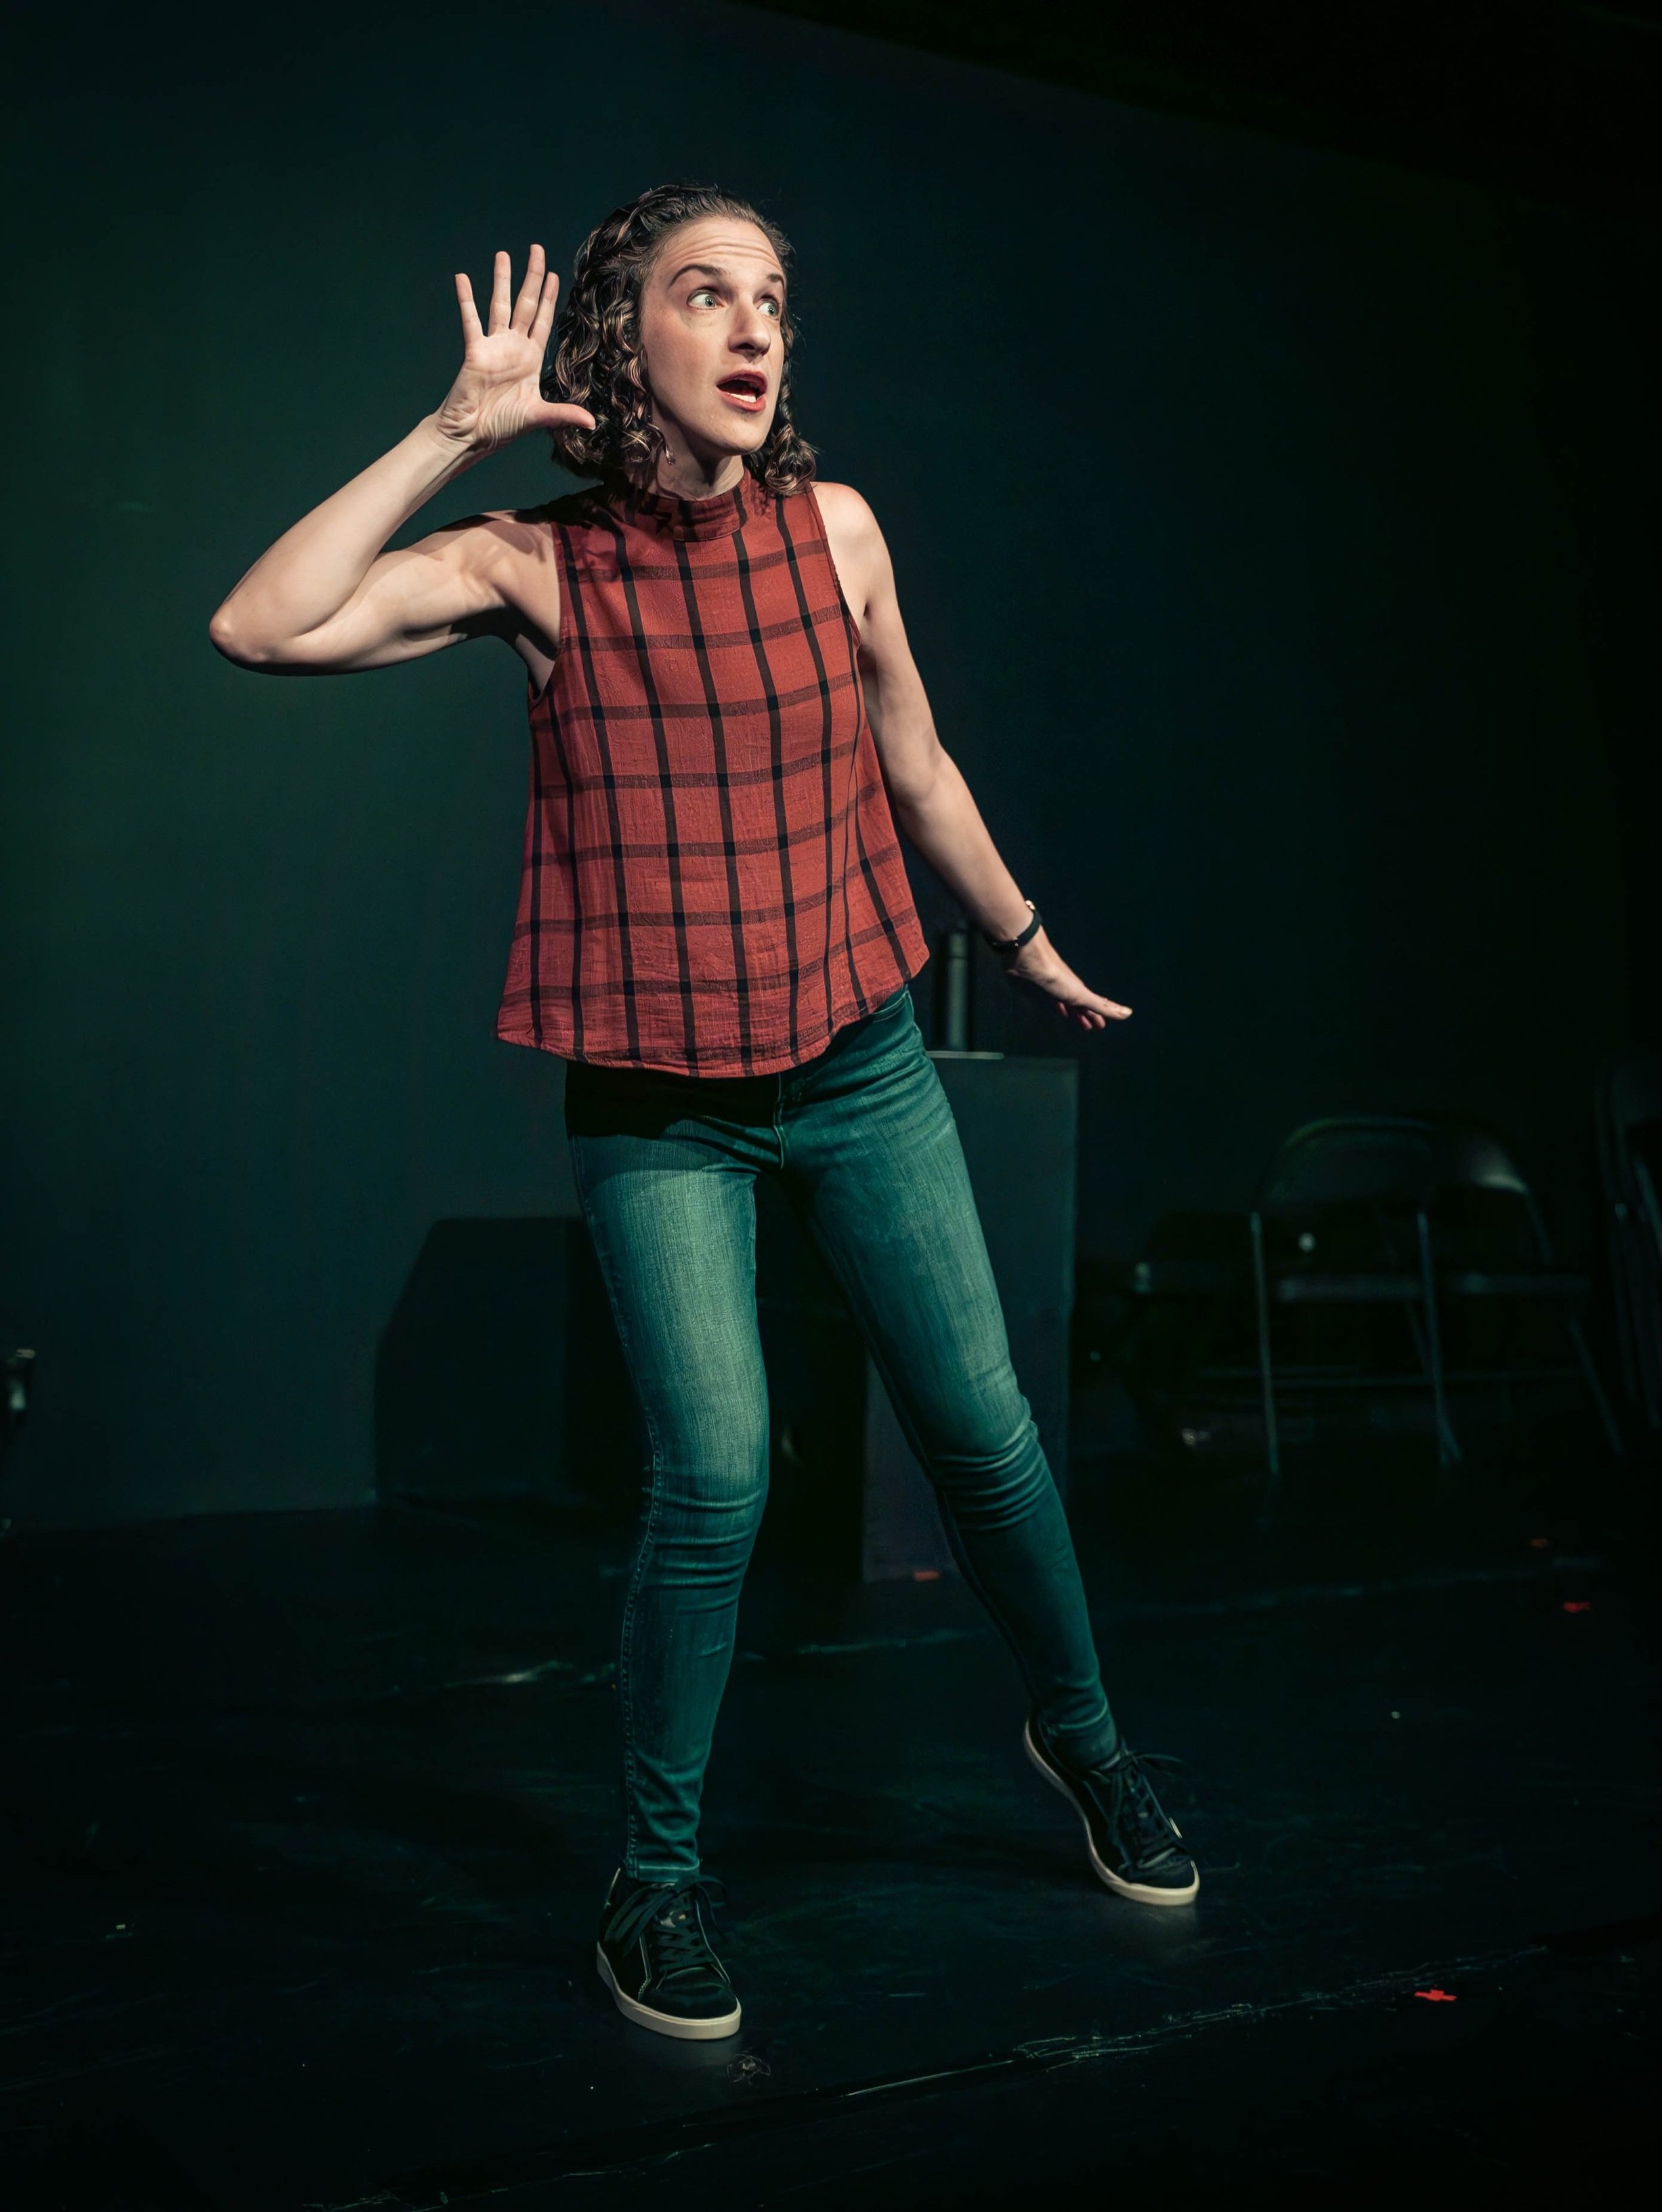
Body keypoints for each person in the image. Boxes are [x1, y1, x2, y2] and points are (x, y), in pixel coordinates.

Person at [210, 182, 1198, 2043]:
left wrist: (1028, 936)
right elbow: (259, 627)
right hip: (659, 1101)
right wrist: (447, 433)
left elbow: (916, 758)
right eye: (705, 295)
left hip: (857, 1060)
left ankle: (1088, 1742)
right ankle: (652, 1884)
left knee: (984, 1428)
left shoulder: (837, 535)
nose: (754, 331)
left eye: (774, 302)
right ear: (623, 338)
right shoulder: (534, 566)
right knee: (719, 1475)